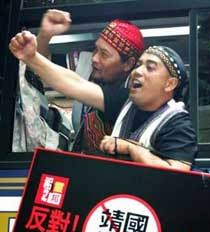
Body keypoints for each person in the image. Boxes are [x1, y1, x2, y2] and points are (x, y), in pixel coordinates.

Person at [9, 31, 197, 170]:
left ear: (170, 84)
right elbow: (74, 84)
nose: (138, 71)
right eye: (139, 65)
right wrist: (32, 58)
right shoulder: (126, 101)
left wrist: (132, 149)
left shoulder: (178, 124)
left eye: (150, 67)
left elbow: (177, 174)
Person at [35, 9, 145, 151]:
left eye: (104, 54)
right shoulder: (87, 64)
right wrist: (45, 34)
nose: (94, 58)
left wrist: (30, 57)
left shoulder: (131, 96)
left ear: (128, 64)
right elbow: (46, 66)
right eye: (96, 49)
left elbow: (73, 84)